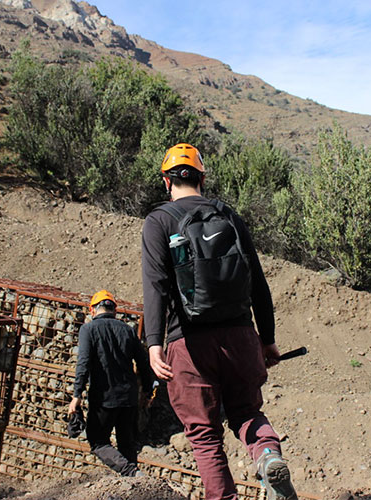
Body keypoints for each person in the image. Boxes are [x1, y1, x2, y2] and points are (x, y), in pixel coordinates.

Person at [141, 143, 298, 500]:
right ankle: (268, 455)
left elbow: (155, 286)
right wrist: (267, 338)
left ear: (167, 181)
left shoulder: (159, 221)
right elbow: (257, 281)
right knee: (246, 412)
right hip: (241, 335)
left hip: (190, 345)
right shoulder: (228, 215)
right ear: (202, 178)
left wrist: (153, 343)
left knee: (204, 434)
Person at [69, 289, 153, 477]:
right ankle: (134, 486)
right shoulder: (128, 331)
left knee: (98, 441)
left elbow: (83, 363)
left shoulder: (88, 329)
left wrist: (77, 395)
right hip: (129, 399)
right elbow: (144, 363)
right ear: (114, 310)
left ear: (92, 310)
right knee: (127, 444)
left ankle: (131, 473)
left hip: (104, 399)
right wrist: (147, 391)